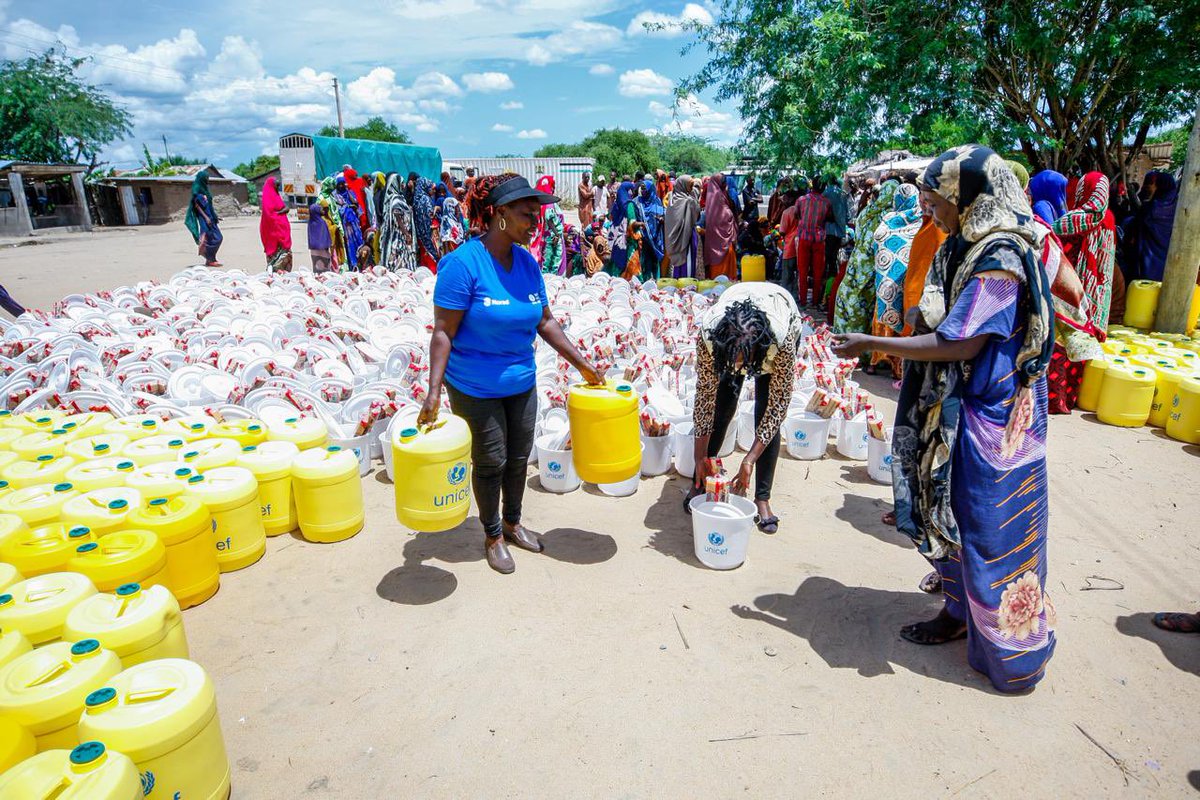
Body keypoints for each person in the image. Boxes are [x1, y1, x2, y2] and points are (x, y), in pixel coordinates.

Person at [832, 144, 1056, 694]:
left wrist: (872, 341)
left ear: (969, 198)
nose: (930, 211)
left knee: (989, 529)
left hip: (995, 423)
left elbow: (962, 342)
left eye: (936, 200)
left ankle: (1012, 657)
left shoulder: (1001, 258)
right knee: (948, 513)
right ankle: (957, 614)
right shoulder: (962, 244)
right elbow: (933, 306)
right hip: (958, 410)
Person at [420, 174, 603, 574]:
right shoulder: (462, 264)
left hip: (521, 380)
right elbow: (442, 332)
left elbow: (545, 321)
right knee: (491, 462)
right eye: (526, 215)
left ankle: (513, 521)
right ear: (499, 214)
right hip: (474, 385)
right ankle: (492, 535)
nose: (535, 223)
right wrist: (433, 392)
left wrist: (583, 364)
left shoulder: (526, 263)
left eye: (537, 215)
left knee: (519, 458)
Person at [685, 282, 801, 533]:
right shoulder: (710, 336)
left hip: (778, 313)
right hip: (734, 334)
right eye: (732, 359)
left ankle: (762, 498)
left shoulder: (781, 342)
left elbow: (777, 407)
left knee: (765, 409)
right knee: (722, 404)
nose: (737, 366)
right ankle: (703, 477)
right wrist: (698, 457)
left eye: (743, 360)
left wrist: (748, 460)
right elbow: (704, 398)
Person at [869, 183, 924, 377]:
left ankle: (875, 361)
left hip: (886, 280)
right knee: (902, 318)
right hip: (909, 281)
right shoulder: (921, 222)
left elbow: (877, 244)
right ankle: (897, 367)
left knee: (882, 315)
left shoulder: (887, 222)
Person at [1052, 172, 1117, 331]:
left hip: (1076, 278)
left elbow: (1050, 231)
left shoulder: (1076, 218)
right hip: (1100, 281)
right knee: (1091, 325)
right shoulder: (1109, 217)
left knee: (1071, 328)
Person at [834, 180, 898, 337]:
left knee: (850, 300)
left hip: (856, 264)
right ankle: (863, 349)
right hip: (875, 268)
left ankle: (845, 341)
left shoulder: (867, 211)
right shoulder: (890, 217)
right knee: (866, 308)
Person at [902, 192, 947, 335]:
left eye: (927, 198)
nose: (921, 200)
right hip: (915, 293)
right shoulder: (926, 223)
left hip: (927, 297)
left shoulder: (939, 227)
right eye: (920, 193)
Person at [795, 176, 834, 307]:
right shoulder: (826, 202)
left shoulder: (801, 200)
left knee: (802, 270)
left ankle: (803, 300)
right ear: (823, 188)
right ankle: (816, 301)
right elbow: (830, 218)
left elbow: (797, 215)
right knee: (818, 272)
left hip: (804, 238)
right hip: (819, 239)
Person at [1133, 170, 1179, 281]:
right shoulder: (1180, 210)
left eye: (1154, 185)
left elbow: (1134, 234)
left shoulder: (1149, 208)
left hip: (1146, 269)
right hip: (1171, 267)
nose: (1151, 187)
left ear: (1160, 187)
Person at [379, 173, 418, 272]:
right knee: (398, 256)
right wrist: (406, 233)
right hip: (398, 235)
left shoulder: (396, 197)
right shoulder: (396, 199)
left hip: (400, 234)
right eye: (401, 183)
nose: (403, 185)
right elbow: (397, 216)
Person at [702, 173, 739, 279]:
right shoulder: (716, 200)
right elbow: (724, 217)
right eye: (722, 181)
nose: (724, 184)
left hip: (725, 242)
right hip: (721, 241)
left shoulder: (722, 197)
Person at [665, 175, 701, 278]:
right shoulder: (689, 201)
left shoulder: (671, 199)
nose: (691, 189)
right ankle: (686, 285)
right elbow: (696, 217)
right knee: (688, 262)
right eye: (690, 186)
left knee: (676, 262)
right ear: (684, 186)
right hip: (687, 237)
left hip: (673, 238)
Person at [184, 173, 223, 267]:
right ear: (201, 178)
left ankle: (210, 258)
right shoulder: (196, 188)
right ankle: (210, 259)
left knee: (218, 237)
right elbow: (196, 206)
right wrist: (206, 217)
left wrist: (215, 216)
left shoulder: (204, 189)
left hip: (211, 217)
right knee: (211, 238)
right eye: (206, 178)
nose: (207, 179)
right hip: (205, 219)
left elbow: (209, 205)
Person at [823, 175, 849, 301]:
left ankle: (826, 289)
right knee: (834, 260)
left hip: (827, 231)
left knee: (827, 260)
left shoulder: (825, 193)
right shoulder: (842, 194)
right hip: (839, 231)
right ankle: (832, 287)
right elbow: (847, 215)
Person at [259, 177, 292, 272]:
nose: (278, 188)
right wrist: (282, 211)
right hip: (275, 236)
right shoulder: (268, 198)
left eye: (279, 186)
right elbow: (271, 216)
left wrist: (283, 210)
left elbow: (281, 209)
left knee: (286, 259)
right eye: (276, 185)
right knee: (277, 264)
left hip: (282, 233)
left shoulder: (276, 196)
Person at [533, 176, 565, 274]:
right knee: (553, 262)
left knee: (546, 261)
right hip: (553, 237)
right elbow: (549, 219)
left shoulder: (542, 203)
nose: (554, 187)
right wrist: (556, 234)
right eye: (553, 185)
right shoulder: (549, 203)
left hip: (547, 236)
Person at [636, 178, 666, 280]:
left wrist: (661, 219)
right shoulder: (638, 201)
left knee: (655, 259)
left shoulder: (657, 201)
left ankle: (656, 280)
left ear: (650, 189)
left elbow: (663, 214)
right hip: (644, 236)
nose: (643, 191)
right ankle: (646, 280)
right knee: (645, 259)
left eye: (645, 189)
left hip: (656, 235)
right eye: (642, 189)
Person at [608, 180, 638, 277]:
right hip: (627, 238)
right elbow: (632, 222)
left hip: (616, 237)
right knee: (628, 260)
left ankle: (615, 278)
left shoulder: (616, 204)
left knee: (617, 257)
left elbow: (611, 218)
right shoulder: (629, 205)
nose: (632, 193)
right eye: (631, 190)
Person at [334, 176, 364, 270]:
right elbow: (338, 209)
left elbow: (356, 203)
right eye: (340, 184)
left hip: (354, 224)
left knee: (358, 242)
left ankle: (360, 261)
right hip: (345, 226)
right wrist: (348, 207)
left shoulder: (350, 193)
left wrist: (348, 191)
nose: (342, 186)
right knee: (348, 245)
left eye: (343, 183)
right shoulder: (336, 196)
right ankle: (352, 264)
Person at [411, 176, 440, 271]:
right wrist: (437, 210)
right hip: (430, 233)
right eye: (432, 189)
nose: (434, 191)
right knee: (433, 254)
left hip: (421, 233)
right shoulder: (426, 199)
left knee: (425, 254)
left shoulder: (417, 199)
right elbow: (431, 215)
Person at [307, 200, 335, 273]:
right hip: (323, 250)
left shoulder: (311, 222)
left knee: (316, 267)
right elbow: (325, 236)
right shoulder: (321, 222)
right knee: (325, 269)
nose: (323, 211)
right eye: (321, 210)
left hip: (313, 249)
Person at [438, 184, 466, 256]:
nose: (459, 211)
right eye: (457, 208)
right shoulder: (448, 225)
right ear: (451, 209)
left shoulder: (454, 222)